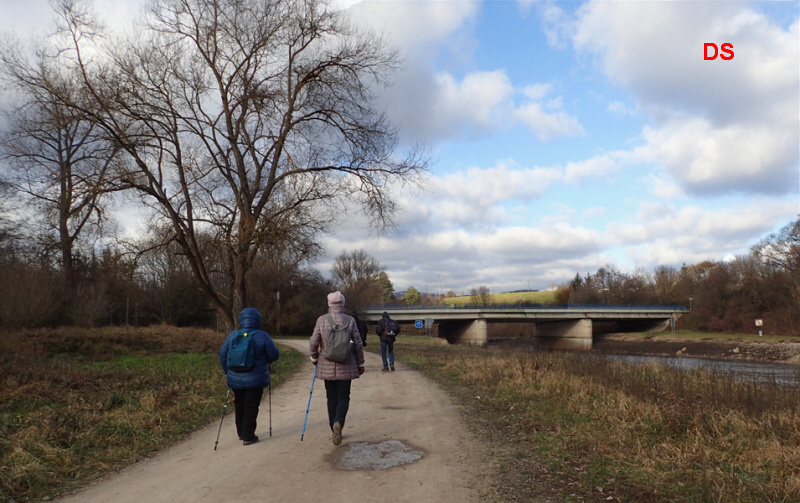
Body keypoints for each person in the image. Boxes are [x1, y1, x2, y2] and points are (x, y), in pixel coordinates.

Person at [309, 291, 365, 446]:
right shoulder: (350, 320)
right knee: (343, 397)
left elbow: (313, 341)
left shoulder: (322, 320)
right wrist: (360, 363)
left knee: (331, 398)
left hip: (326, 365)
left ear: (329, 304)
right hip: (346, 364)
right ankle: (338, 422)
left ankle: (333, 429)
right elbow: (358, 343)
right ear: (343, 304)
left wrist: (314, 357)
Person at [219, 307, 280, 446]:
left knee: (239, 404)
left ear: (241, 320)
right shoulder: (262, 336)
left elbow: (222, 354)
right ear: (258, 320)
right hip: (255, 379)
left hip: (235, 378)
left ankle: (241, 432)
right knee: (251, 406)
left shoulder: (233, 335)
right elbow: (274, 355)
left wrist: (227, 371)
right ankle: (248, 436)